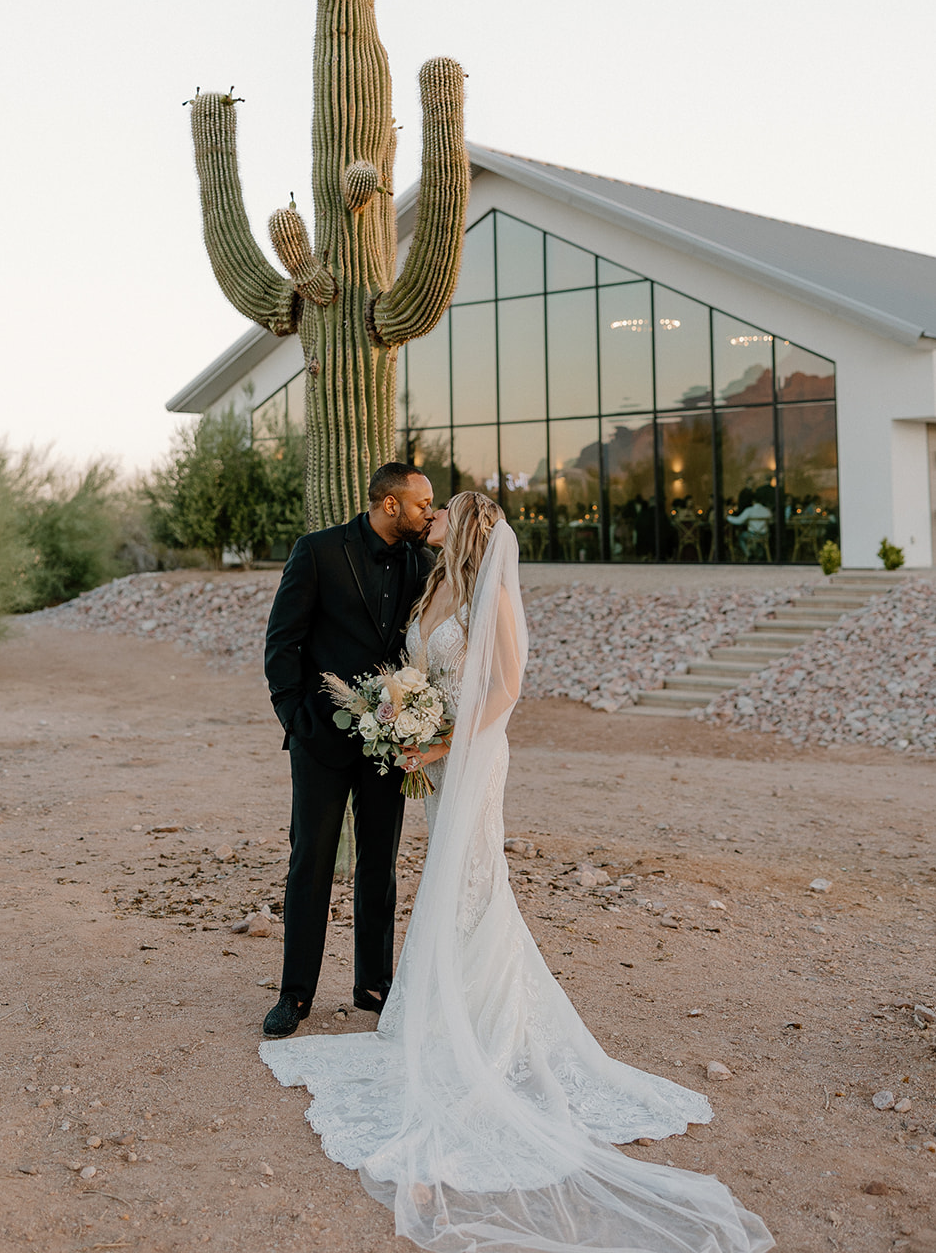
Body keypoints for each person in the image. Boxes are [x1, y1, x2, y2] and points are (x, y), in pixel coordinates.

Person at [261, 490, 774, 1253]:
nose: (428, 518)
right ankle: (428, 1001)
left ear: (463, 528)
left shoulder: (490, 595)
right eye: (424, 506)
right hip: (431, 758)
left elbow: (504, 687)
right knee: (442, 879)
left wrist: (441, 743)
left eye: (441, 513)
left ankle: (479, 1021)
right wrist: (407, 721)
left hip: (467, 758)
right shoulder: (433, 581)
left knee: (470, 882)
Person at [261, 462, 435, 1039]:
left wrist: (414, 723)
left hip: (391, 740)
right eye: (421, 504)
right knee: (309, 861)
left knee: (380, 865)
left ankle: (373, 986)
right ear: (390, 505)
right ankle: (295, 995)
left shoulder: (423, 564)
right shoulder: (317, 552)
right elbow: (282, 640)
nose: (428, 514)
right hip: (320, 739)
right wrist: (295, 716)